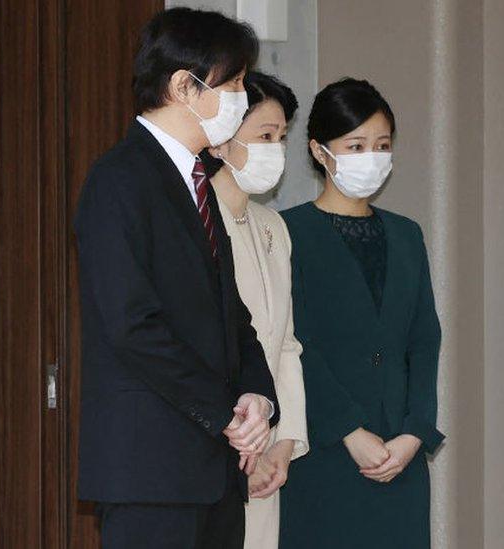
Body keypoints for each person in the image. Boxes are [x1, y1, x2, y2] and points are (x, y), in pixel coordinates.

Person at [73, 9, 278, 548]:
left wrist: (258, 394)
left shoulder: (197, 183)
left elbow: (231, 315)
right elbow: (132, 325)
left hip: (214, 471)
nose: (240, 97)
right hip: (152, 470)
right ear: (184, 86)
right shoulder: (118, 180)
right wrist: (224, 414)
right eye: (232, 83)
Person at [278, 78, 444, 549]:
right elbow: (294, 340)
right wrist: (349, 430)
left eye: (382, 145)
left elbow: (423, 340)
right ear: (319, 150)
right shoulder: (289, 232)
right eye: (355, 145)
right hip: (324, 450)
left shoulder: (406, 234)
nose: (371, 157)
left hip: (400, 455)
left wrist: (415, 432)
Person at [203, 70, 309, 549]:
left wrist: (284, 442)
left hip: (267, 443)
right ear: (222, 141)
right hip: (226, 443)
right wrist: (245, 445)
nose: (276, 150)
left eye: (282, 138)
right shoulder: (197, 219)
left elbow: (284, 342)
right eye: (264, 136)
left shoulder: (273, 226)